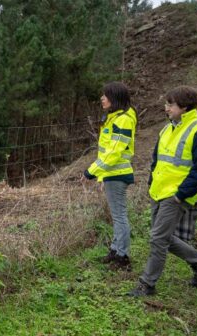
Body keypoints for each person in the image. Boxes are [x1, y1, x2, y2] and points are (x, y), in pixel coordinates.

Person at [129, 86, 197, 297]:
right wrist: (152, 184)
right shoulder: (167, 128)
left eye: (170, 104)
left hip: (176, 195)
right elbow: (157, 160)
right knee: (164, 237)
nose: (166, 108)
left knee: (158, 239)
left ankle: (147, 284)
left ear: (184, 107)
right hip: (159, 192)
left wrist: (181, 194)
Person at [82, 82, 137, 271]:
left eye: (105, 95)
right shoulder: (115, 118)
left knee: (120, 216)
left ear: (114, 98)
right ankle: (115, 250)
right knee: (117, 216)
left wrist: (92, 171)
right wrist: (101, 176)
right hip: (112, 174)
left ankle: (123, 257)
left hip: (117, 174)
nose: (102, 98)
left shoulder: (123, 119)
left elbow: (114, 152)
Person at [175, 109, 197, 243]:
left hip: (192, 185)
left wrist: (185, 189)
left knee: (186, 224)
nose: (167, 108)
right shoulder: (186, 125)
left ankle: (186, 250)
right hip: (186, 184)